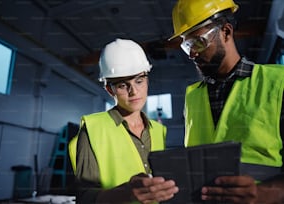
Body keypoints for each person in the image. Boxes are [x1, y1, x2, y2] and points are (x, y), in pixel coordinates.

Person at [169, 0, 284, 203]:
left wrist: (263, 193)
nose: (193, 53)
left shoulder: (277, 83)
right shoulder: (192, 97)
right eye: (187, 46)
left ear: (226, 32)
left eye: (198, 41)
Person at [69, 38, 179, 203]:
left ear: (147, 80)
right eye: (122, 85)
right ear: (109, 89)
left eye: (139, 81)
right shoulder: (93, 128)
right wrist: (126, 193)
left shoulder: (158, 130)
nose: (134, 91)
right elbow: (84, 197)